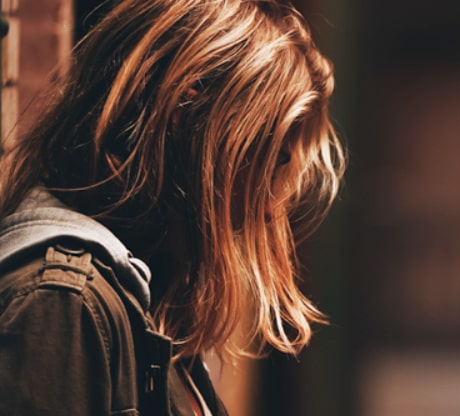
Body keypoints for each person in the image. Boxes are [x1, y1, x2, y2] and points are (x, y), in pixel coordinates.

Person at [0, 0, 345, 414]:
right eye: (268, 164)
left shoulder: (144, 308)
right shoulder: (64, 302)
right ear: (185, 113)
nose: (271, 209)